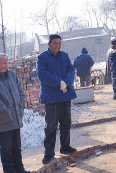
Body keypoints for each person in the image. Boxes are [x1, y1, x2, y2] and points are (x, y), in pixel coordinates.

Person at [37, 34, 78, 164]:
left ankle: (65, 146)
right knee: (51, 125)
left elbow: (71, 70)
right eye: (54, 43)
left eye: (59, 43)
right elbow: (43, 75)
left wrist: (65, 82)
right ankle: (49, 153)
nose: (57, 45)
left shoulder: (64, 56)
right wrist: (58, 82)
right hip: (51, 96)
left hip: (65, 94)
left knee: (66, 122)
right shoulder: (42, 58)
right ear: (48, 44)